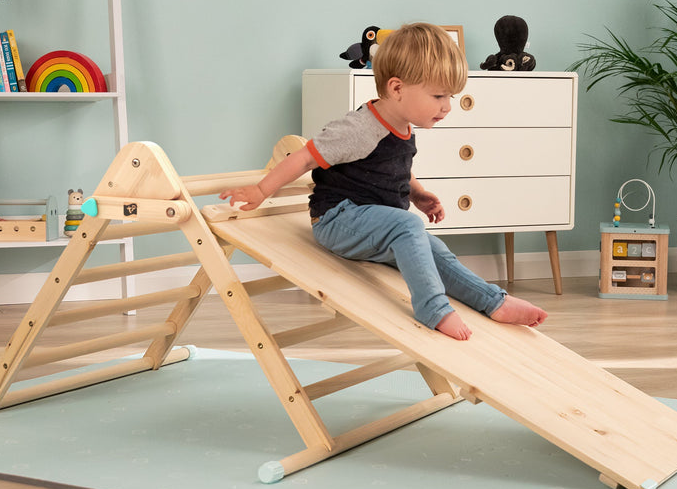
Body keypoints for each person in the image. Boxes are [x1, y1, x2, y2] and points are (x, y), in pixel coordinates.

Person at [220, 22, 548, 339]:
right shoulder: (360, 128)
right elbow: (306, 155)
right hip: (338, 218)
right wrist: (262, 189)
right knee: (408, 227)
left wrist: (417, 193)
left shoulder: (402, 124)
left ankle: (494, 302)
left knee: (436, 251)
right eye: (438, 97)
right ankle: (433, 309)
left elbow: (395, 167)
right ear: (397, 88)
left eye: (449, 98)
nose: (447, 107)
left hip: (375, 222)